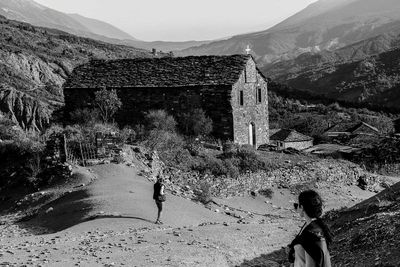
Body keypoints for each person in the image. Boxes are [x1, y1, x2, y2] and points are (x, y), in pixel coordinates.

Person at [288, 190, 333, 267]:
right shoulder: (314, 227)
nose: (297, 207)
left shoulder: (311, 233)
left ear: (302, 207)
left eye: (298, 205)